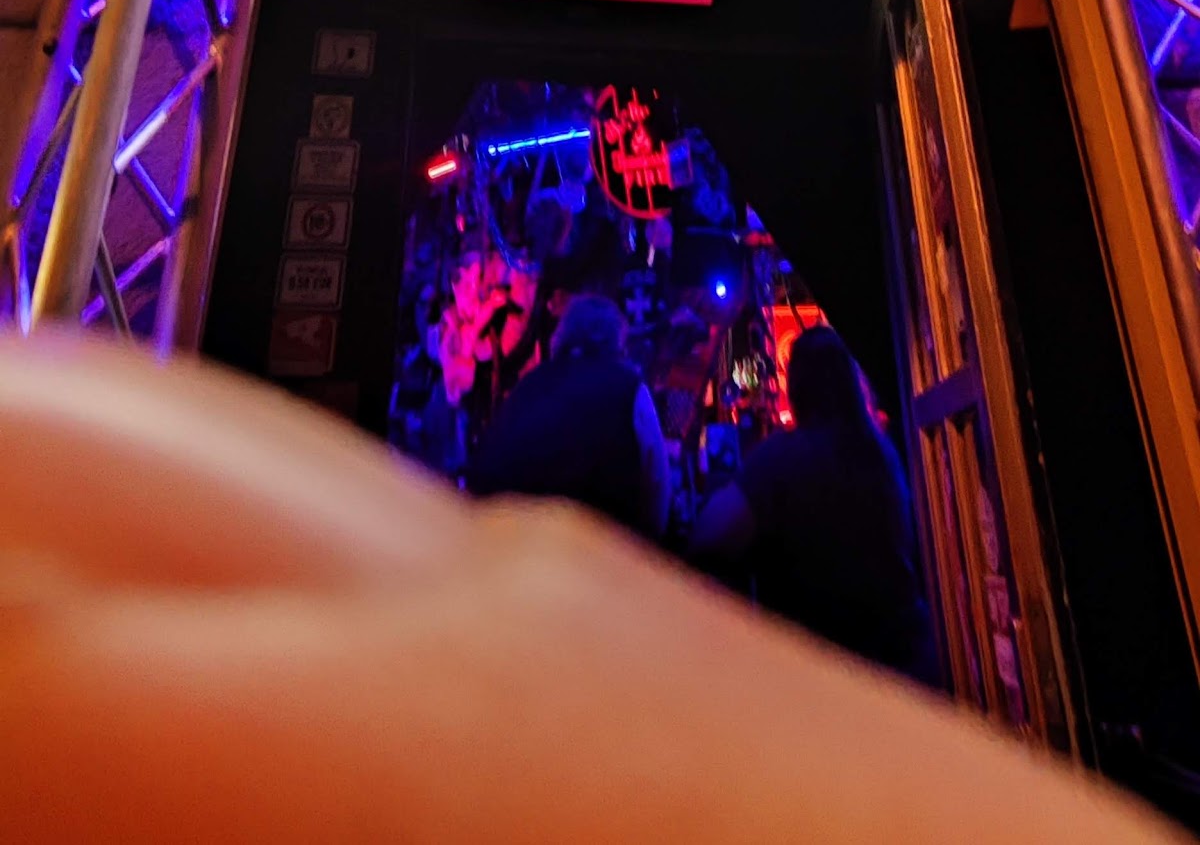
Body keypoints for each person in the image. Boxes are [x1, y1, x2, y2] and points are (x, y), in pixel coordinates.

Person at [0, 329, 1178, 845]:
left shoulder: (768, 462)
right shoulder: (893, 458)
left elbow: (708, 539)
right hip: (913, 672)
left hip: (817, 673)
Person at [690, 324, 938, 683]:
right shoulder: (882, 454)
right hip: (907, 659)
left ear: (796, 389)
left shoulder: (784, 456)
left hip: (827, 665)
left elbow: (708, 534)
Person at [466, 290, 671, 540]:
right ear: (618, 340)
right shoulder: (629, 387)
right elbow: (658, 485)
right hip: (590, 542)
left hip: (501, 535)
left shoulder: (530, 383)